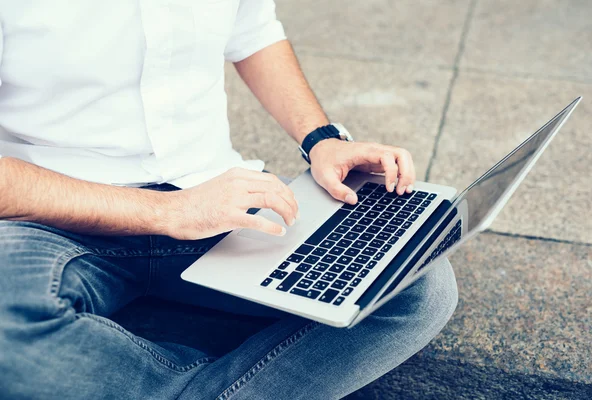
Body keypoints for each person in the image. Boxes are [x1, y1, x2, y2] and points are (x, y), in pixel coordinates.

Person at [0, 2, 458, 399]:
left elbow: (253, 32)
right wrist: (166, 212)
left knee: (413, 287)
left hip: (217, 193)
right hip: (51, 211)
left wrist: (321, 140)